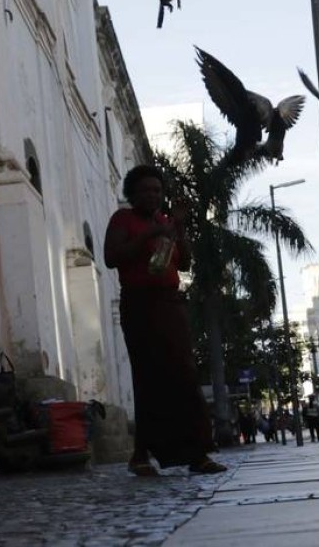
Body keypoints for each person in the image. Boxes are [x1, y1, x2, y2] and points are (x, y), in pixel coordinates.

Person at [104, 165, 226, 476]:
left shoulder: (165, 222)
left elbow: (184, 262)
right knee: (148, 378)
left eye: (157, 191)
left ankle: (198, 452)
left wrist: (178, 228)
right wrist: (150, 233)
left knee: (184, 375)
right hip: (139, 306)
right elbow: (111, 256)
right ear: (133, 193)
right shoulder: (123, 220)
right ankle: (142, 453)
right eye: (146, 190)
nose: (152, 196)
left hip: (170, 304)